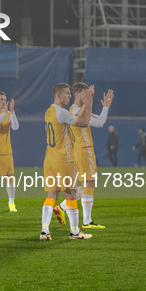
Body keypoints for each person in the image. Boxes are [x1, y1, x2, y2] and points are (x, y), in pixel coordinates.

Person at [54, 83, 114, 231]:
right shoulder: (75, 110)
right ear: (78, 94)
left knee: (88, 184)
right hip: (83, 149)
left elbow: (100, 122)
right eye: (85, 93)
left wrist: (105, 106)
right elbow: (92, 122)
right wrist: (90, 104)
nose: (88, 95)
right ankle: (82, 218)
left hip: (83, 150)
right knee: (89, 183)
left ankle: (67, 209)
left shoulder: (79, 109)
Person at [40, 83, 93, 241]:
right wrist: (88, 105)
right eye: (67, 93)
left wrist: (83, 107)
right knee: (70, 195)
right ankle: (75, 232)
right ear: (58, 96)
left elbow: (75, 119)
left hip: (50, 158)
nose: (70, 96)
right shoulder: (61, 112)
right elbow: (81, 123)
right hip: (64, 159)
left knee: (51, 195)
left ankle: (44, 230)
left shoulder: (49, 111)